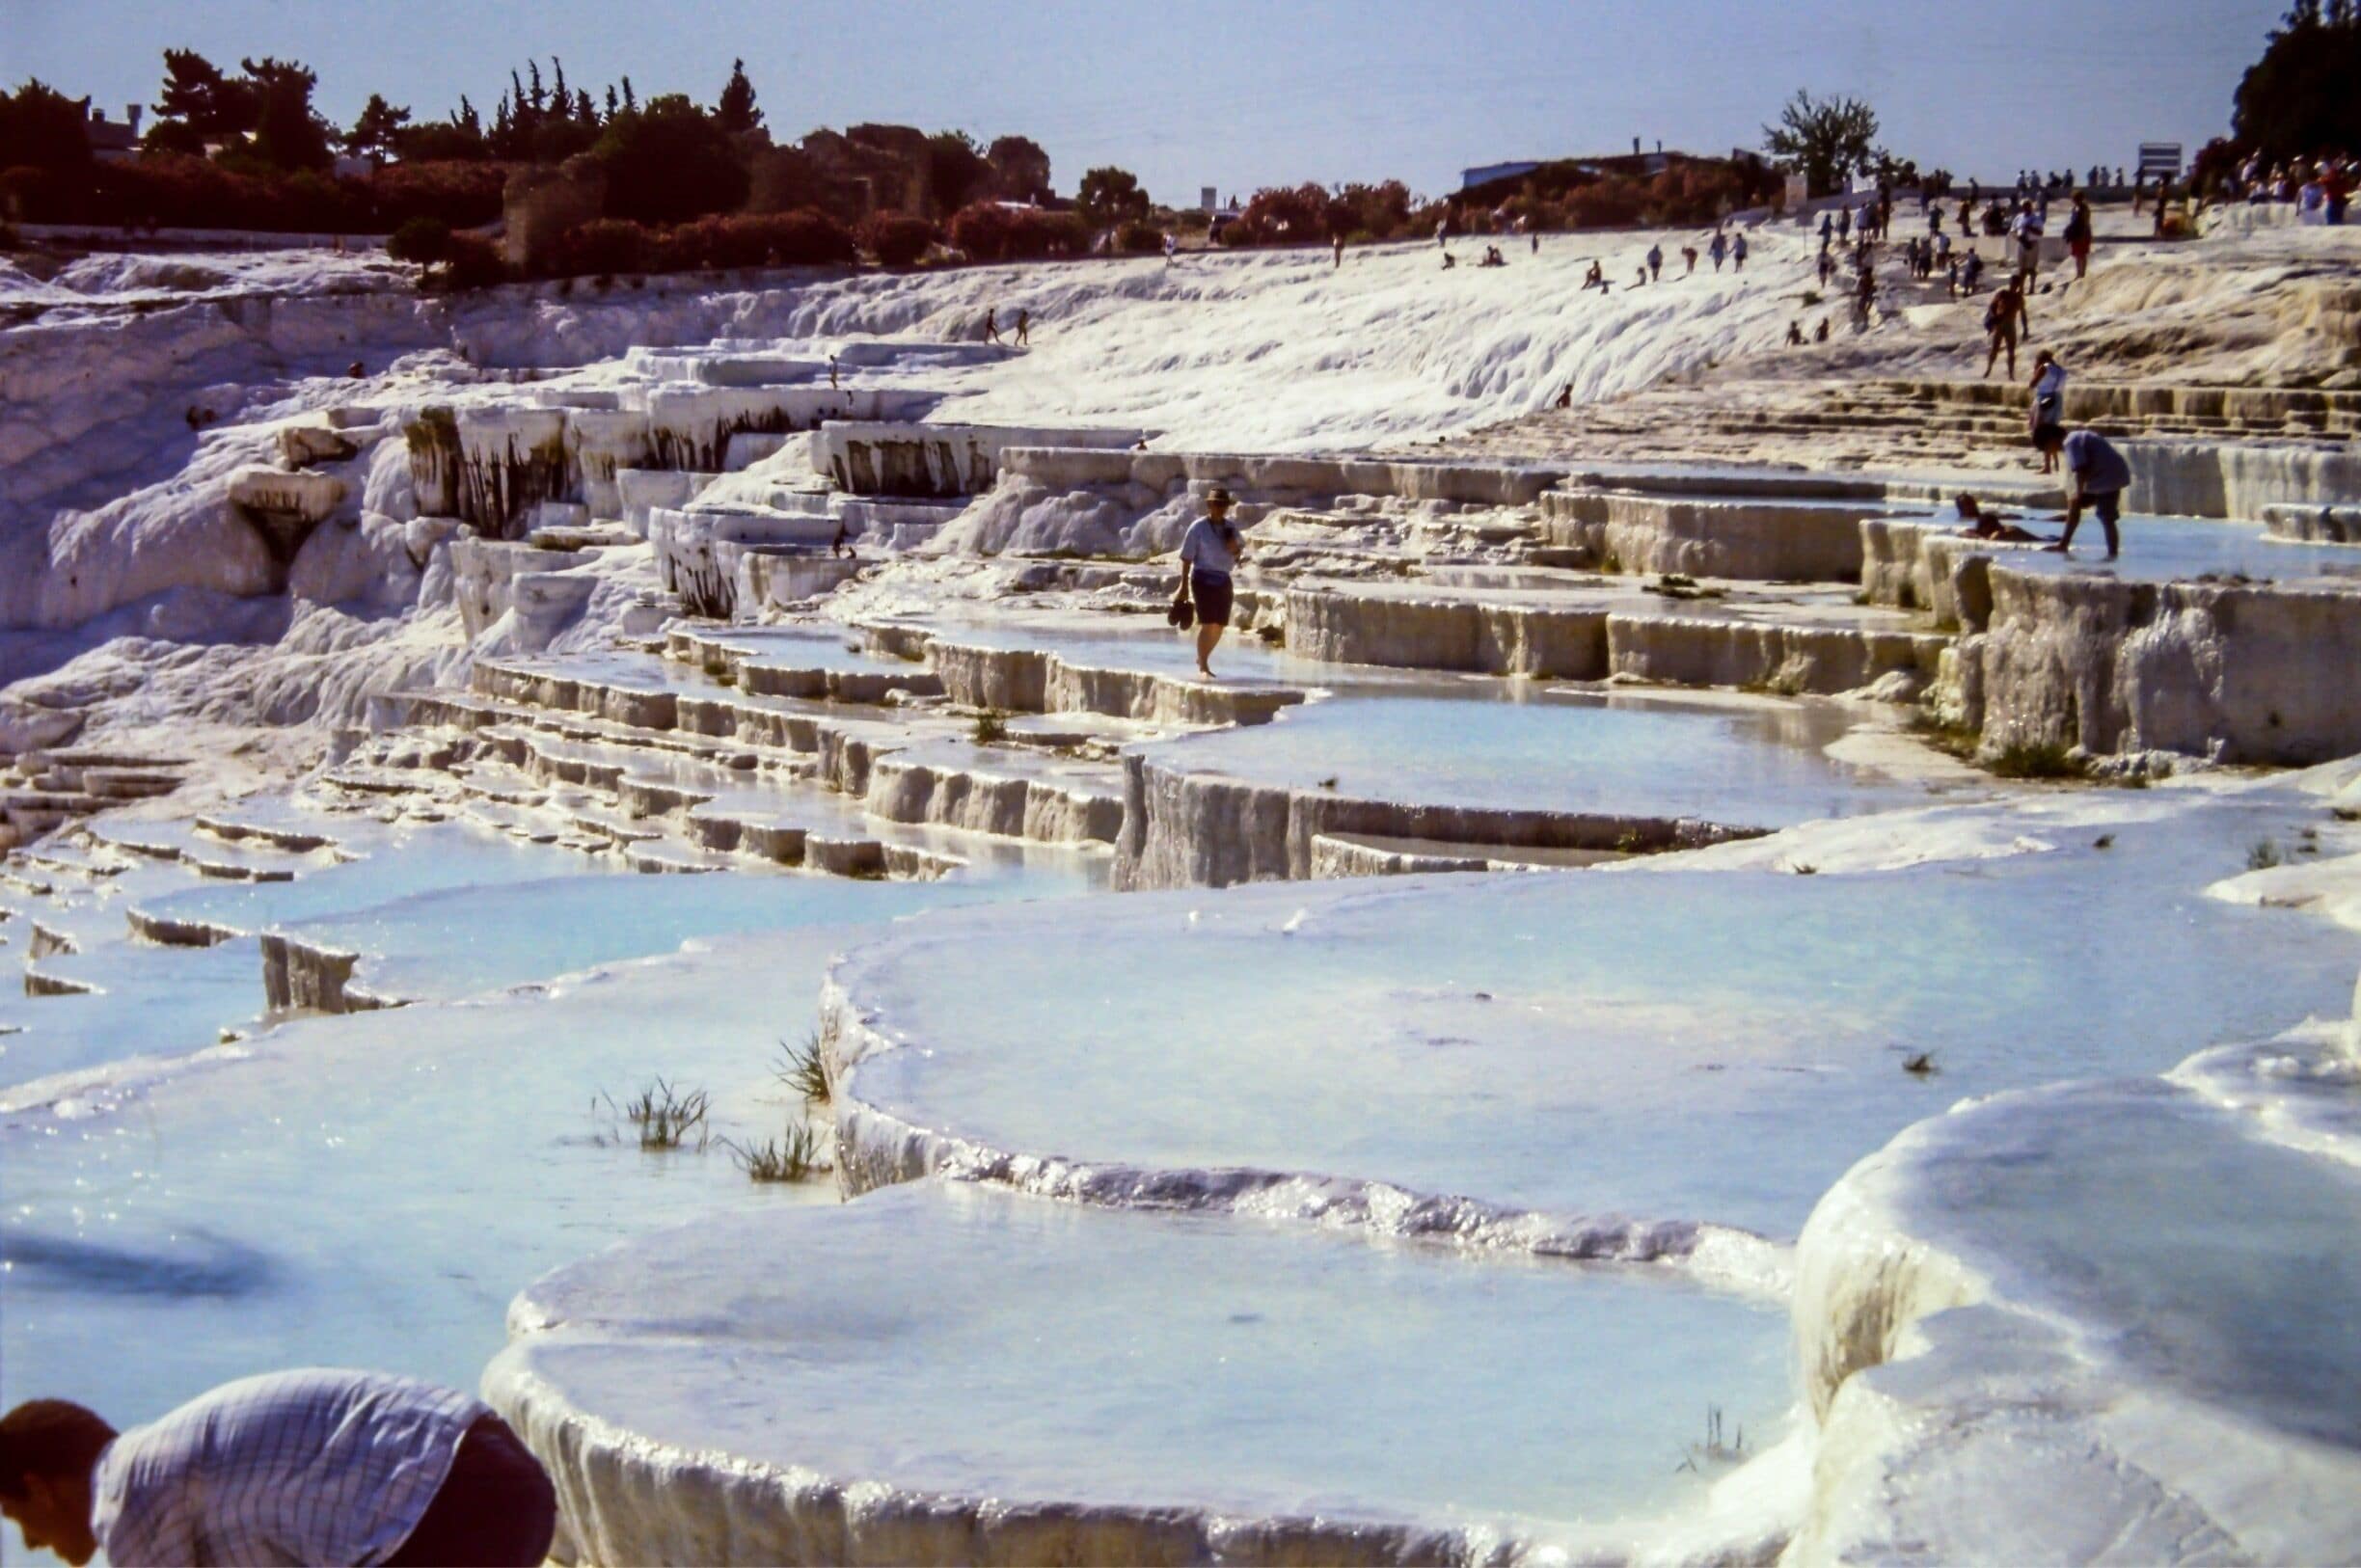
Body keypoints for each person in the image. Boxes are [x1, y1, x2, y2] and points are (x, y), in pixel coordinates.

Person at [0, 1370, 556, 1568]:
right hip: (510, 1478)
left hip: (453, 1500)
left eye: (15, 1516)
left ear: (40, 1490)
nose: (29, 1542)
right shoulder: (166, 1453)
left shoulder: (126, 1497)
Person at [1175, 486, 1246, 677]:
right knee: (1208, 623)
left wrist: (1234, 549)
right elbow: (1187, 558)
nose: (1220, 508)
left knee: (1220, 624)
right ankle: (1203, 665)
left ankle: (1202, 656)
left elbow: (1239, 556)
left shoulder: (1231, 528)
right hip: (1202, 579)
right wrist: (1183, 586)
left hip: (1223, 579)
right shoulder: (1198, 527)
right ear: (1209, 505)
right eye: (1217, 504)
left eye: (1224, 505)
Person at [2038, 426, 2132, 557]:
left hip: (2106, 476)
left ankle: (2065, 545)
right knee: (2103, 517)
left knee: (2097, 514)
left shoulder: (2070, 442)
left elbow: (2081, 469)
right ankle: (2112, 554)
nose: (2049, 452)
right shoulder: (2075, 438)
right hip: (2112, 473)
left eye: (2046, 448)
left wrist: (2078, 492)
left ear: (2051, 440)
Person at [2028, 348, 2067, 467]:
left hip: (2044, 400)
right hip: (2057, 400)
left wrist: (2035, 370)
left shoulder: (2044, 367)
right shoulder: (2060, 369)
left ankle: (2047, 466)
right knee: (2052, 430)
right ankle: (2055, 463)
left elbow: (2032, 384)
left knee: (2043, 432)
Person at [1954, 492, 2046, 542]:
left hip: (2043, 538)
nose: (1973, 505)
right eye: (1968, 504)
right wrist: (1980, 536)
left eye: (1972, 502)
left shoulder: (2000, 532)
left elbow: (1994, 537)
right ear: (1961, 508)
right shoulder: (1980, 521)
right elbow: (1962, 533)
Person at [1982, 277, 2027, 378]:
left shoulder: (2019, 298)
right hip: (1999, 324)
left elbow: (2023, 314)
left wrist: (2025, 329)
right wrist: (1993, 318)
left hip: (2010, 325)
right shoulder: (2002, 294)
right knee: (1995, 348)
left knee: (2011, 351)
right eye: (2012, 283)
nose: (2013, 286)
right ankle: (1988, 369)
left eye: (2016, 284)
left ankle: (2011, 374)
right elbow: (1992, 306)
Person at [2063, 194, 2093, 279]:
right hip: (2076, 233)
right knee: (2077, 254)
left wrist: (2082, 234)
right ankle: (2078, 273)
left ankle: (2082, 273)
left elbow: (2084, 222)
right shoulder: (2075, 209)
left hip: (2083, 233)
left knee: (2082, 254)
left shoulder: (2084, 209)